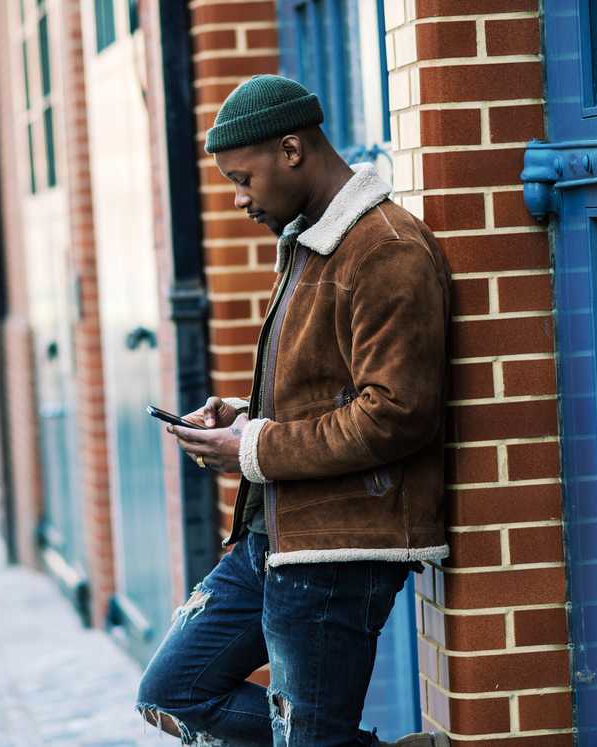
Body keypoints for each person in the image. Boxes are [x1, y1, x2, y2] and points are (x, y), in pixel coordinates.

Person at [135, 75, 452, 747]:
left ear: (291, 150)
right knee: (171, 693)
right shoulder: (314, 243)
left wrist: (254, 445)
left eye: (244, 179)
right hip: (271, 536)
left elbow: (396, 413)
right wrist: (241, 417)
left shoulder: (387, 248)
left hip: (338, 550)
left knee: (305, 737)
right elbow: (327, 390)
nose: (240, 198)